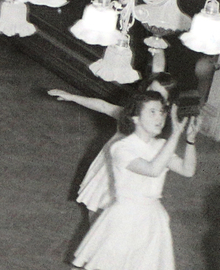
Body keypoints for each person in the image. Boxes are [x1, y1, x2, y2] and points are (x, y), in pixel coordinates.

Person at [51, 92, 198, 270]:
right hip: (122, 221)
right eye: (153, 112)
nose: (160, 117)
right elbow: (154, 169)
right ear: (135, 117)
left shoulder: (160, 145)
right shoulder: (122, 148)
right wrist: (175, 136)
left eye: (162, 112)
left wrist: (189, 140)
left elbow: (188, 170)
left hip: (152, 223)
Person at [48, 72, 180, 220]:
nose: (149, 95)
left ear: (167, 104)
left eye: (156, 95)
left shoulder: (158, 128)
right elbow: (104, 106)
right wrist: (71, 97)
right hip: (109, 168)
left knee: (116, 218)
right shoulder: (130, 114)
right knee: (96, 212)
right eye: (149, 89)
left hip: (129, 175)